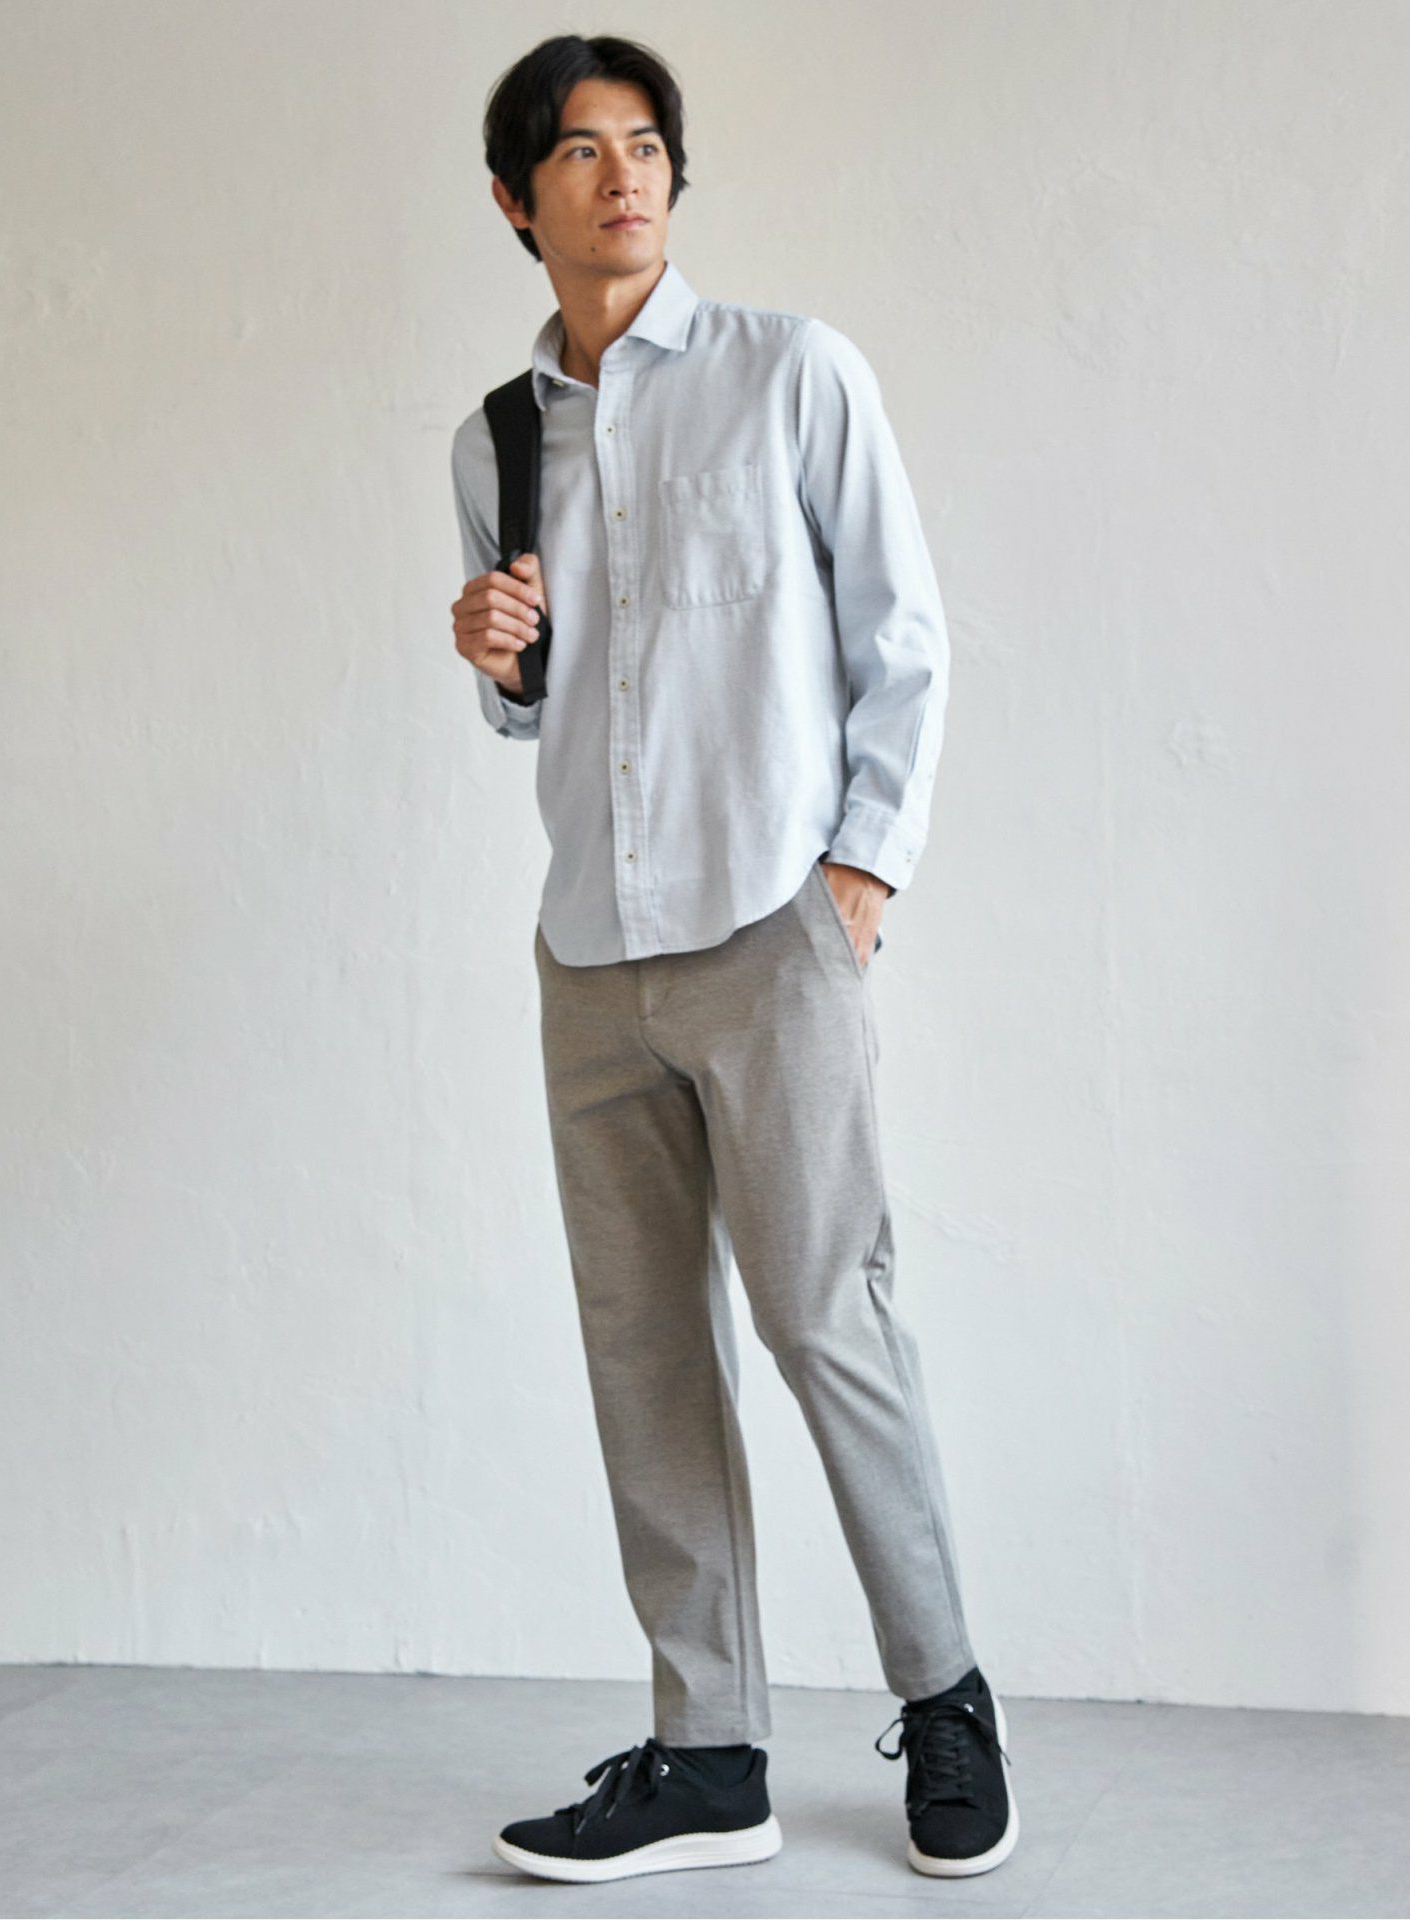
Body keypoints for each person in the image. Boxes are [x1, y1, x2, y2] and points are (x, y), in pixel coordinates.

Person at [450, 30, 1018, 1888]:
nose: (623, 174)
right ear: (517, 197)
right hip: (591, 957)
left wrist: (860, 876)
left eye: (646, 144)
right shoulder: (496, 439)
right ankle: (708, 1753)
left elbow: (903, 637)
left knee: (828, 1320)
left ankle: (946, 1697)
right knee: (645, 1357)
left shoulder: (792, 372)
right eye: (580, 150)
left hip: (774, 934)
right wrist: (498, 655)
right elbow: (542, 711)